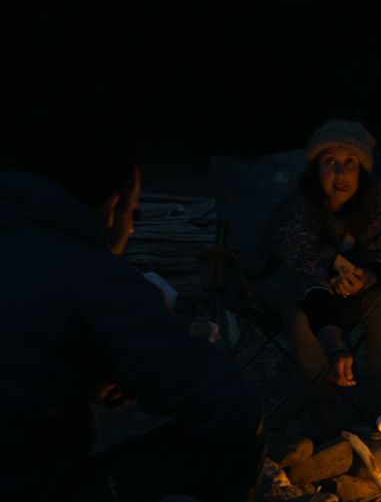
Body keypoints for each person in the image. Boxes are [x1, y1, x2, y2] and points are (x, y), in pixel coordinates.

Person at [0, 125, 266, 501]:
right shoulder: (94, 276)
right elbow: (226, 399)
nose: (133, 227)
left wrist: (95, 373)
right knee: (239, 421)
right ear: (111, 210)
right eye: (133, 212)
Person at [256, 119, 381, 436]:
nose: (340, 174)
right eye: (330, 162)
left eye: (350, 162)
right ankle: (325, 409)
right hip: (294, 287)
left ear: (362, 169)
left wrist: (364, 278)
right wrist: (337, 348)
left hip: (342, 292)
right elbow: (306, 280)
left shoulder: (374, 200)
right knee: (298, 310)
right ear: (316, 167)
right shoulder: (297, 208)